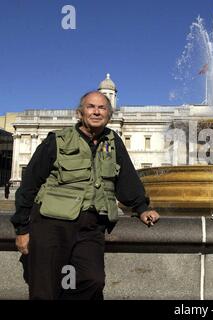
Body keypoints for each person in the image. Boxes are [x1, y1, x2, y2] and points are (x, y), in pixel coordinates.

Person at [10, 91, 160, 300]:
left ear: (109, 114)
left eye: (102, 108)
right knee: (44, 287)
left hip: (91, 225)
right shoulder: (58, 140)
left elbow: (127, 178)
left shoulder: (112, 141)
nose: (96, 112)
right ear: (79, 112)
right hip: (51, 223)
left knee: (93, 279)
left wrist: (142, 207)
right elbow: (29, 184)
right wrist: (22, 228)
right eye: (91, 107)